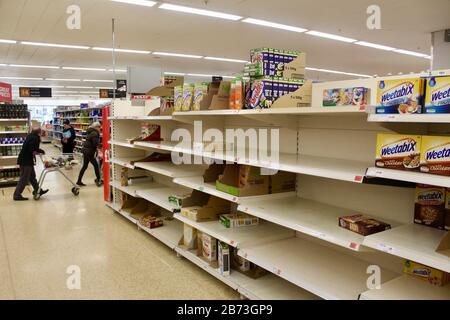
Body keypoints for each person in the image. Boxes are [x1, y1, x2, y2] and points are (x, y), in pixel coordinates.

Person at [13, 128, 49, 201]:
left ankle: (38, 190)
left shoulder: (31, 136)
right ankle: (17, 195)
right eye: (42, 132)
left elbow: (31, 149)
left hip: (26, 160)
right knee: (24, 178)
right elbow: (32, 149)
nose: (43, 134)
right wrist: (41, 151)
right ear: (39, 132)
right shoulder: (35, 138)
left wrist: (37, 151)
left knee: (32, 176)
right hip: (25, 161)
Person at [77, 122, 102, 187]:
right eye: (99, 127)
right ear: (96, 127)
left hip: (86, 151)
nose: (100, 129)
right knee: (96, 165)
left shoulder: (90, 132)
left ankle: (79, 181)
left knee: (84, 166)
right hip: (89, 152)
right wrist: (100, 145)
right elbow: (95, 144)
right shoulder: (95, 133)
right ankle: (98, 179)